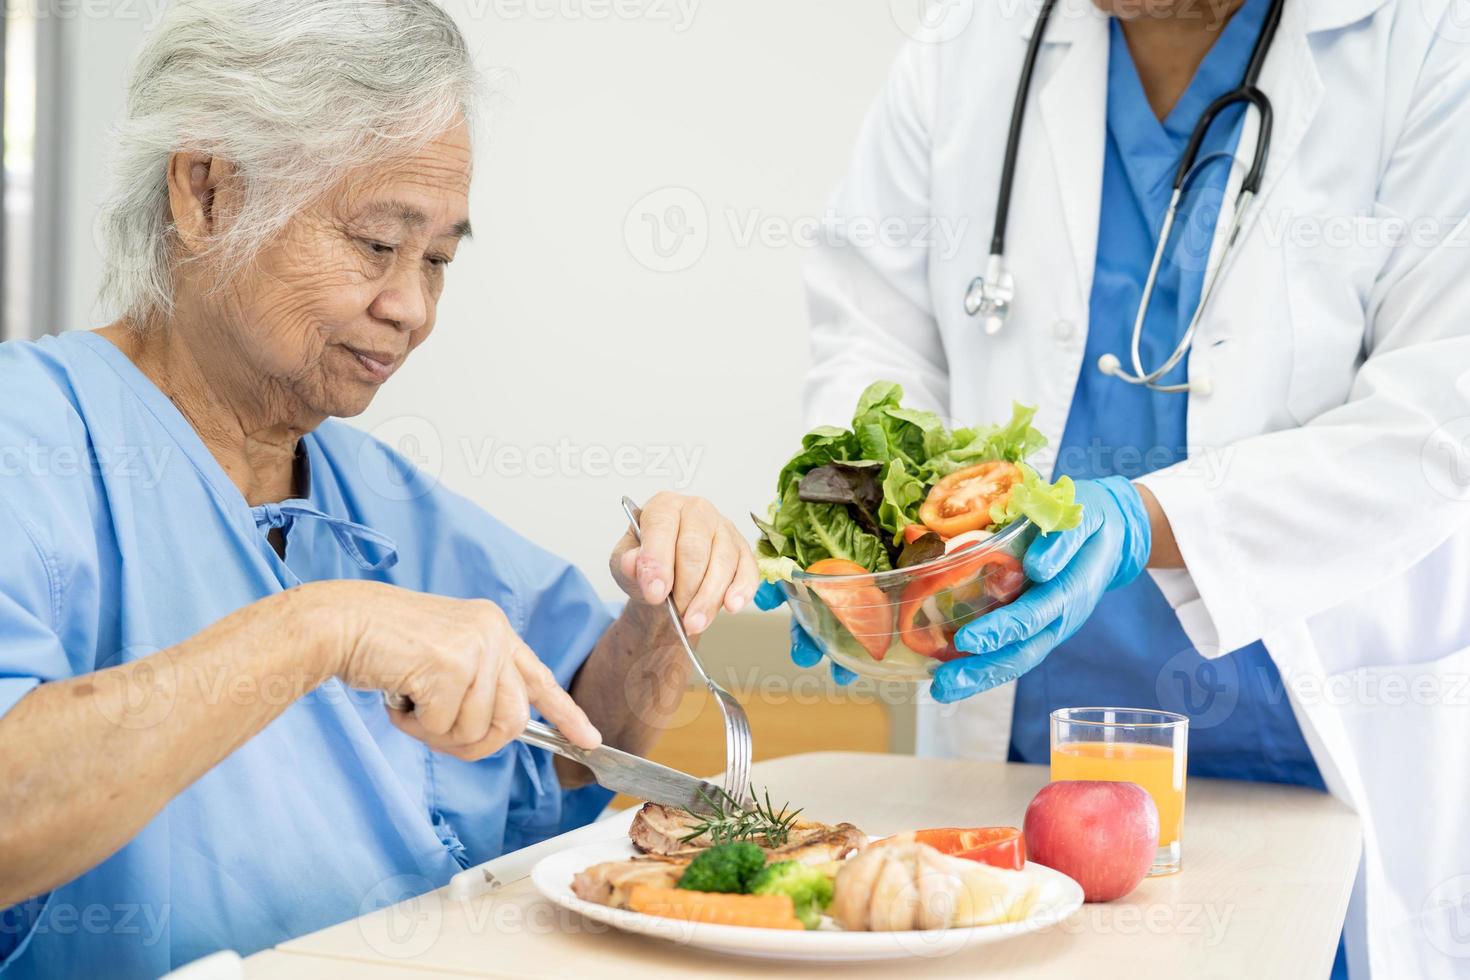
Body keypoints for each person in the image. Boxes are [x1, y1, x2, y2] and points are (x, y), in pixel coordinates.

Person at [0, 2, 758, 976]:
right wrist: (319, 629)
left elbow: (576, 743)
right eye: (375, 243)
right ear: (207, 193)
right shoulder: (31, 434)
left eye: (438, 259)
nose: (411, 308)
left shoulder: (374, 495)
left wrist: (660, 614)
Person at [757, 0, 1470, 975]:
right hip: (1017, 770)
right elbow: (868, 330)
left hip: (1314, 762)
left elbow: (1438, 418)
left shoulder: (1427, 42)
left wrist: (1140, 520)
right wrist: (863, 542)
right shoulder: (966, 45)